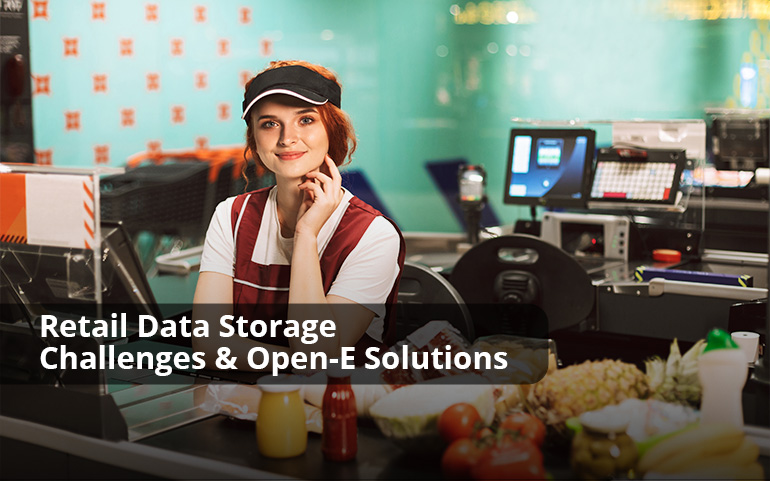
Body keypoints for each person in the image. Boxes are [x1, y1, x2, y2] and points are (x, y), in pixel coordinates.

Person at [192, 60, 404, 369]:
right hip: (244, 401)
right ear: (254, 138)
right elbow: (208, 346)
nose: (287, 138)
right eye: (269, 123)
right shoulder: (231, 216)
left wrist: (306, 235)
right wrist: (299, 362)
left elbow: (315, 350)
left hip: (336, 409)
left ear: (333, 130)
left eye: (305, 120)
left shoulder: (373, 234)